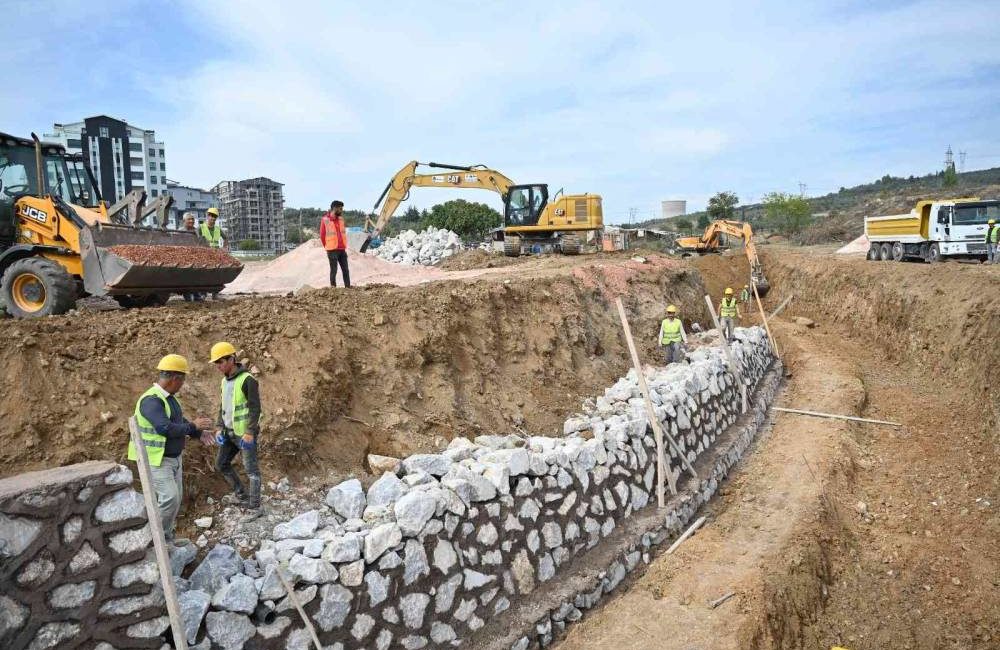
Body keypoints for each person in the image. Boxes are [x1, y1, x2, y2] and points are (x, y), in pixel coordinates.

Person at [128, 354, 215, 546]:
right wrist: (193, 425)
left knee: (175, 499)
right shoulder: (151, 400)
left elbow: (178, 421)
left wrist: (197, 433)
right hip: (156, 459)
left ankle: (166, 537)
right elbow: (165, 428)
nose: (182, 384)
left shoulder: (169, 400)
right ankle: (153, 540)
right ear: (175, 378)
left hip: (174, 459)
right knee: (170, 498)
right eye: (182, 380)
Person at [210, 342, 263, 511]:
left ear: (232, 359)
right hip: (229, 433)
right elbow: (223, 407)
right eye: (216, 363)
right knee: (221, 464)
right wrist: (219, 427)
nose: (218, 366)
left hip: (244, 434)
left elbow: (255, 409)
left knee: (251, 470)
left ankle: (255, 507)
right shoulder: (224, 382)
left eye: (220, 362)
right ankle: (241, 495)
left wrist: (250, 432)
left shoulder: (248, 380)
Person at [320, 200, 350, 287]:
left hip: (342, 249)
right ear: (335, 208)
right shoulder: (325, 220)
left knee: (346, 270)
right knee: (334, 270)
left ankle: (348, 288)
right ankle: (333, 288)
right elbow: (322, 235)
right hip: (332, 250)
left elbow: (342, 233)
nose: (341, 210)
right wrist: (327, 246)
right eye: (340, 209)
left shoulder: (341, 219)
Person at [200, 208, 226, 300]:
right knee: (204, 274)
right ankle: (203, 294)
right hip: (204, 254)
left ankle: (215, 294)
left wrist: (224, 249)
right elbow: (196, 239)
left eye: (215, 216)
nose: (213, 218)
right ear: (208, 216)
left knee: (216, 274)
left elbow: (226, 238)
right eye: (211, 216)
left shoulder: (218, 229)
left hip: (216, 254)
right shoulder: (201, 227)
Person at [181, 213, 203, 302]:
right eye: (189, 219)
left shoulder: (196, 230)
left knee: (196, 276)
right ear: (184, 221)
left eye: (193, 219)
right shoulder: (180, 231)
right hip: (184, 257)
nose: (191, 221)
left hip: (195, 256)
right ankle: (187, 295)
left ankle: (197, 295)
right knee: (185, 277)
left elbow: (200, 242)